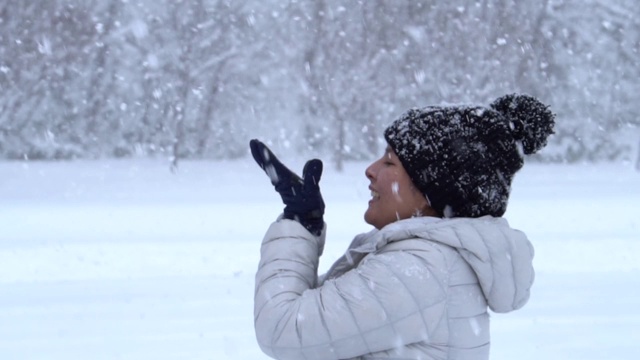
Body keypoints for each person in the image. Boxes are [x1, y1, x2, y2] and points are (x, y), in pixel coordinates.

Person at [249, 93, 555, 360]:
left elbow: (283, 328)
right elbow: (321, 326)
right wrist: (305, 224)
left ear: (432, 191)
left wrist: (298, 224)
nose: (370, 171)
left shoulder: (418, 270)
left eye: (390, 162)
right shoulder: (433, 261)